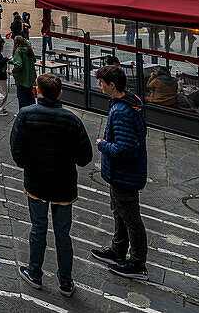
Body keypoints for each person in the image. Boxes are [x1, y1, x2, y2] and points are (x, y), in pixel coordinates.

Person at [11, 74, 93, 296]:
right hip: (64, 184)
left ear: (37, 92)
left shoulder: (26, 115)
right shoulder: (72, 120)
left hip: (36, 181)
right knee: (63, 233)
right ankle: (66, 281)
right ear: (60, 93)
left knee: (38, 228)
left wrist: (26, 164)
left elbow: (16, 150)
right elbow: (85, 157)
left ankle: (35, 273)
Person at [92, 64, 149, 281]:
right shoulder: (129, 102)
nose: (99, 85)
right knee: (120, 212)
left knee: (131, 218)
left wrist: (102, 145)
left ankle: (137, 263)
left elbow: (126, 148)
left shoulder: (122, 111)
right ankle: (118, 251)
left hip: (125, 174)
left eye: (102, 82)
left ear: (112, 85)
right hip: (122, 173)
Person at [11, 35, 37, 109]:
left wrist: (14, 72)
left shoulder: (18, 51)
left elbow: (18, 65)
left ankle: (23, 115)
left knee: (22, 99)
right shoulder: (29, 50)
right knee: (30, 97)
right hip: (30, 78)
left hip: (22, 79)